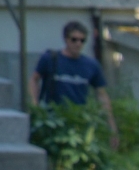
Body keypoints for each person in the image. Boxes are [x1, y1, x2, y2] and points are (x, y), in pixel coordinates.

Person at [32, 19, 119, 150]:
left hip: (78, 122)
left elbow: (101, 94)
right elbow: (34, 79)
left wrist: (111, 126)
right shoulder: (50, 58)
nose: (78, 44)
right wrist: (35, 104)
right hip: (52, 119)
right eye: (74, 39)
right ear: (66, 39)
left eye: (82, 40)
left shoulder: (91, 65)